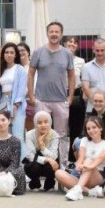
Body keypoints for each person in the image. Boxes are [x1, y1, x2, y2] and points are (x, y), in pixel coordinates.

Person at [27, 21, 76, 160]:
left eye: (57, 32)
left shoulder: (67, 53)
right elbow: (30, 74)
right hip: (41, 100)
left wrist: (70, 97)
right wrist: (31, 96)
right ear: (47, 33)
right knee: (41, 133)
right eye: (51, 31)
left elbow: (72, 75)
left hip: (61, 100)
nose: (54, 34)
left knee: (62, 134)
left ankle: (63, 164)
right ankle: (43, 163)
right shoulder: (38, 52)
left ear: (61, 34)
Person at [56, 116, 105, 200]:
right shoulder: (84, 140)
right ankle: (90, 192)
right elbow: (80, 158)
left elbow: (100, 159)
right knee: (58, 173)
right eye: (88, 128)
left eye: (94, 127)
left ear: (101, 128)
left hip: (97, 175)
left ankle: (77, 189)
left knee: (88, 160)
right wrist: (78, 166)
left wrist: (87, 166)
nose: (91, 130)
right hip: (82, 172)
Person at [0, 42, 27, 146]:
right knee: (5, 134)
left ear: (15, 55)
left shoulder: (20, 69)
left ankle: (21, 157)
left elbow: (21, 89)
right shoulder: (1, 69)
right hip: (3, 102)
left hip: (15, 102)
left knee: (17, 135)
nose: (9, 55)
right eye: (6, 52)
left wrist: (16, 104)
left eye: (11, 52)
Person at [24, 111, 60, 192]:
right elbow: (30, 156)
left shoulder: (54, 135)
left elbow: (54, 156)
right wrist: (47, 159)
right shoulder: (29, 135)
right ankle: (34, 183)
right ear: (35, 124)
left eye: (46, 122)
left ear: (50, 122)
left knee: (51, 166)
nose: (43, 125)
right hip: (35, 161)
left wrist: (42, 147)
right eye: (39, 123)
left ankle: (49, 184)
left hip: (49, 161)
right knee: (33, 167)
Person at [65, 36, 86, 162]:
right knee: (61, 129)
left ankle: (73, 158)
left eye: (75, 42)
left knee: (75, 128)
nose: (72, 44)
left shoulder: (81, 61)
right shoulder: (59, 58)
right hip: (61, 94)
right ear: (65, 43)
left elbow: (84, 78)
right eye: (69, 41)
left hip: (77, 95)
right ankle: (59, 157)